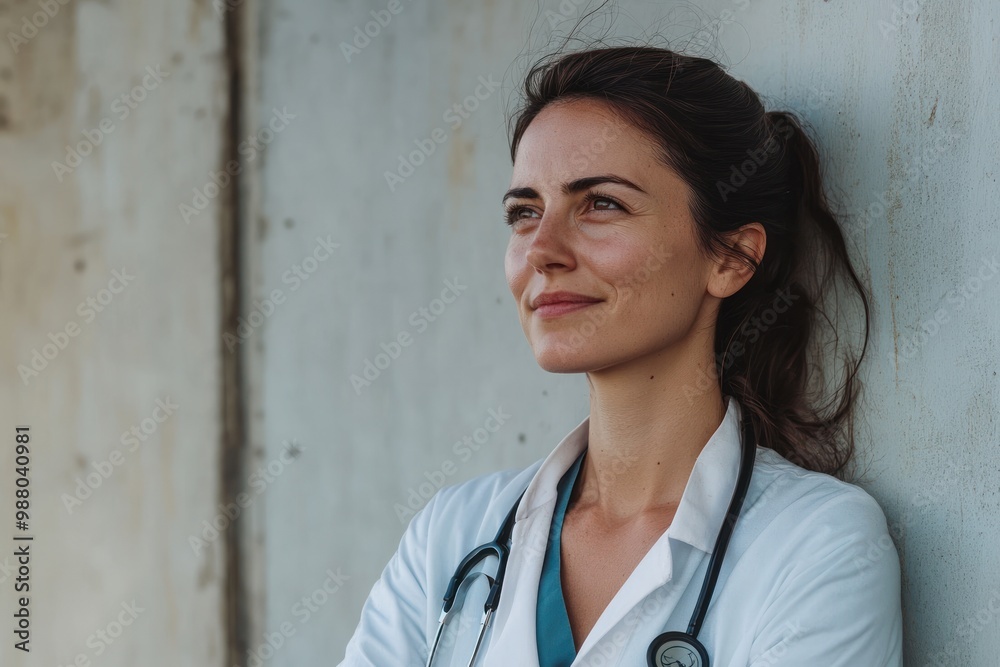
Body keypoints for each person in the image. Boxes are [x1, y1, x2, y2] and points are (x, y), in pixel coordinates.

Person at [340, 45, 903, 667]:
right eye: (524, 212)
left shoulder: (817, 545)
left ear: (731, 258)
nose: (541, 250)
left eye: (601, 203)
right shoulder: (450, 536)